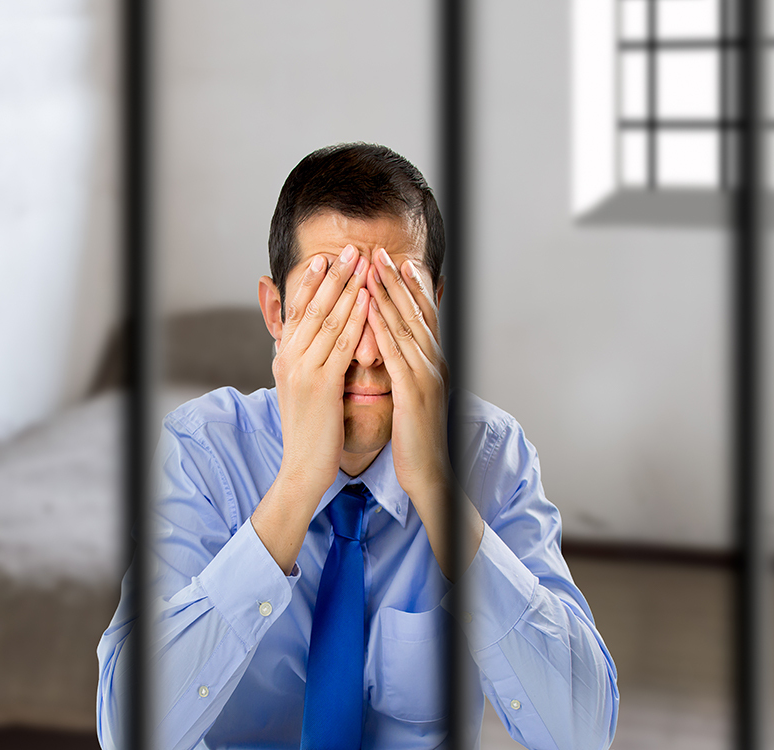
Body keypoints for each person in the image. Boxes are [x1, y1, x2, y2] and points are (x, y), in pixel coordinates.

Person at [97, 143, 619, 749]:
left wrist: (434, 485)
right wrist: (297, 486)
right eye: (333, 302)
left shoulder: (490, 456)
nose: (368, 353)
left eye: (395, 303)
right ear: (276, 312)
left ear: (434, 308)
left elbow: (582, 735)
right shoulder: (204, 453)